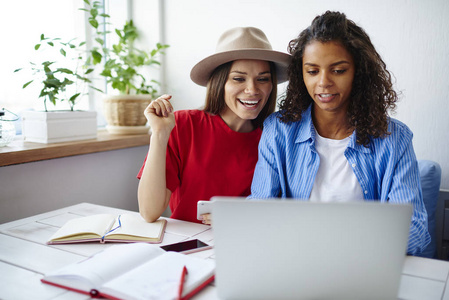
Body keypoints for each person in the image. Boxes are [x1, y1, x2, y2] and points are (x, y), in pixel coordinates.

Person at [248, 11, 430, 255]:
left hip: (364, 264)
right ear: (301, 74)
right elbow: (260, 207)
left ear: (359, 72)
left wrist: (346, 245)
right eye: (312, 71)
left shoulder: (394, 139)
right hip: (296, 259)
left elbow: (415, 229)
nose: (323, 82)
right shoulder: (278, 131)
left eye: (338, 70)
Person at [137, 27, 290, 224]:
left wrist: (237, 217)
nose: (252, 89)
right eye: (238, 78)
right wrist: (159, 134)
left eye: (263, 79)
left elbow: (278, 213)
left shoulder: (276, 137)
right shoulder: (183, 125)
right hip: (186, 244)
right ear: (220, 82)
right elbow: (149, 212)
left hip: (246, 242)